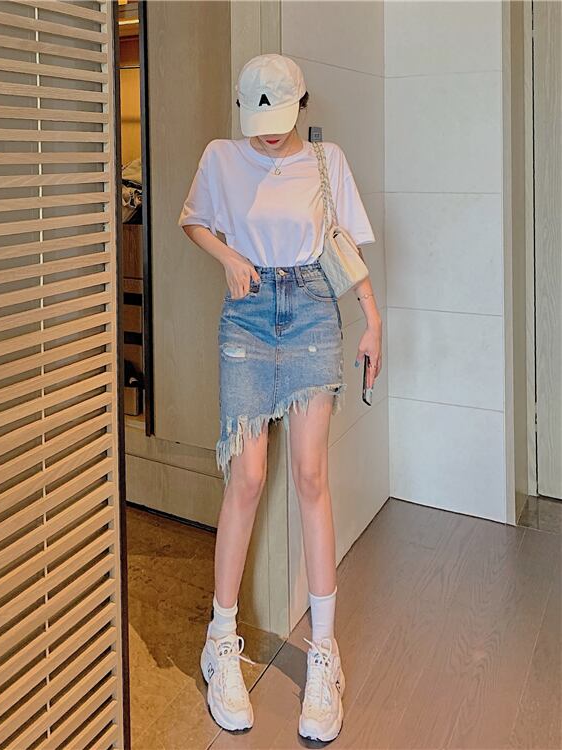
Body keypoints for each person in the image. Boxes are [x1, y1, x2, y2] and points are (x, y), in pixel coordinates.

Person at [177, 53, 382, 742]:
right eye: (258, 118)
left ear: (302, 103)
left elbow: (343, 245)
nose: (269, 132)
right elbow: (192, 220)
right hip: (246, 317)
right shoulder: (221, 157)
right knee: (247, 478)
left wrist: (372, 319)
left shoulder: (326, 162)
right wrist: (229, 257)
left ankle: (324, 654)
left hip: (314, 314)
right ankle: (220, 641)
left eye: (282, 117)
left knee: (312, 476)